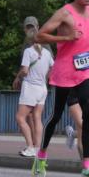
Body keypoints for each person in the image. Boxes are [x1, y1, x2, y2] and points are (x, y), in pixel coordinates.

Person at [33, 0, 89, 177]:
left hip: (84, 71)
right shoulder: (64, 13)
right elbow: (39, 36)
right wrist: (65, 38)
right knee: (56, 115)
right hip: (65, 72)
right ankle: (41, 155)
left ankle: (87, 167)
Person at [14, 16, 54, 158]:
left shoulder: (28, 51)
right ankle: (38, 148)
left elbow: (24, 70)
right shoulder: (47, 52)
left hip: (30, 86)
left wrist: (19, 77)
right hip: (42, 88)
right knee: (37, 117)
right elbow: (52, 69)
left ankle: (30, 147)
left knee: (20, 117)